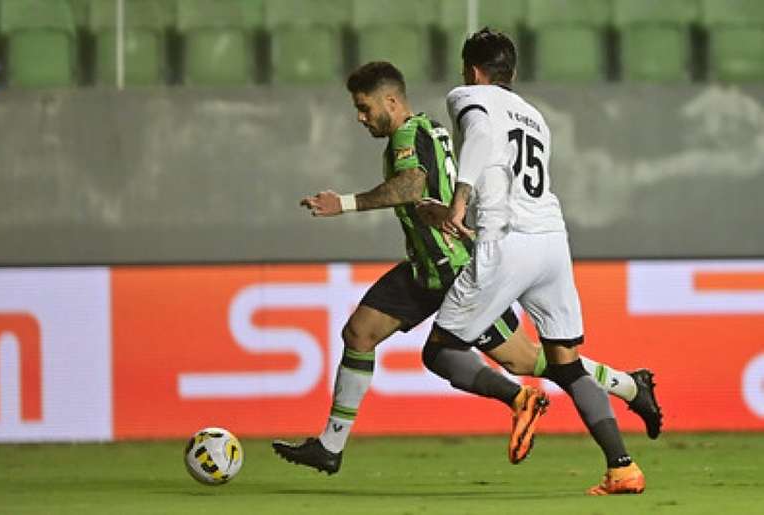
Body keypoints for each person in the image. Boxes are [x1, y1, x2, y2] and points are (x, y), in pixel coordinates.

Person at [272, 61, 661, 476]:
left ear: (391, 101)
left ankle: (613, 387)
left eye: (365, 108)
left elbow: (411, 185)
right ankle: (330, 447)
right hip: (425, 267)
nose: (360, 118)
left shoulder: (411, 133)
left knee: (526, 362)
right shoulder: (424, 132)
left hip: (455, 265)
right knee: (359, 333)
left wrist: (344, 204)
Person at [427, 28, 646, 495]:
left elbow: (483, 136)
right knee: (566, 364)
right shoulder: (535, 117)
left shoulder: (467, 96)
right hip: (552, 242)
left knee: (440, 350)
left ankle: (519, 397)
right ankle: (623, 467)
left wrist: (459, 201)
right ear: (514, 72)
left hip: (507, 242)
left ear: (472, 69)